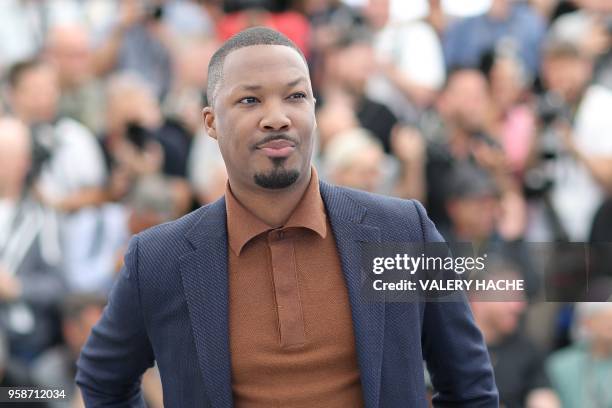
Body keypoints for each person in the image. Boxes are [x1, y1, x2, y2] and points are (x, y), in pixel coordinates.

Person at [76, 27, 498, 407]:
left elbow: (470, 387)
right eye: (249, 100)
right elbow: (102, 380)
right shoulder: (159, 258)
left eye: (296, 96)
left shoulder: (404, 230)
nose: (277, 117)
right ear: (211, 123)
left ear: (314, 109)